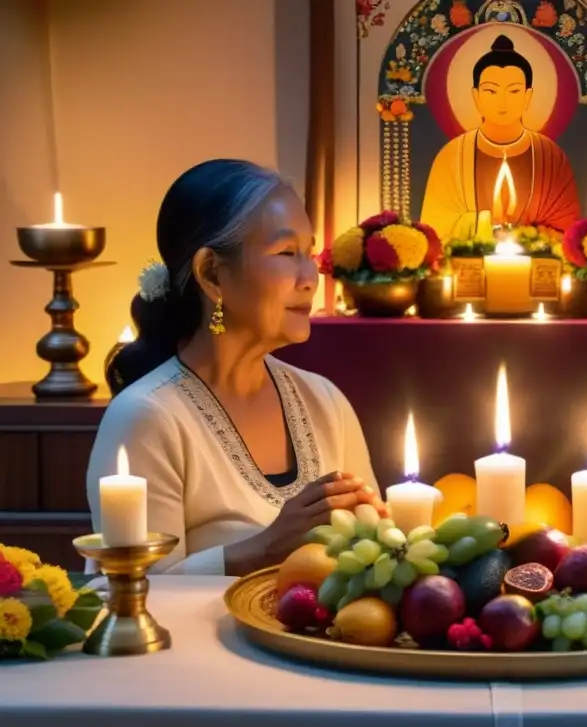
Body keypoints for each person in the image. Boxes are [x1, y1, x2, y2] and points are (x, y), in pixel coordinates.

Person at [87, 159, 387, 576]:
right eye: (286, 253)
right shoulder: (145, 418)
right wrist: (266, 548)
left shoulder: (325, 401)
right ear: (212, 273)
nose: (310, 277)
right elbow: (129, 593)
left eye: (310, 253)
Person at [420, 34, 581, 239]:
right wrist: (486, 225)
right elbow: (434, 228)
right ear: (476, 96)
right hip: (467, 267)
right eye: (491, 91)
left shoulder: (550, 156)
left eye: (513, 91)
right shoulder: (452, 155)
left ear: (527, 96)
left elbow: (567, 231)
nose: (502, 103)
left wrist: (522, 237)